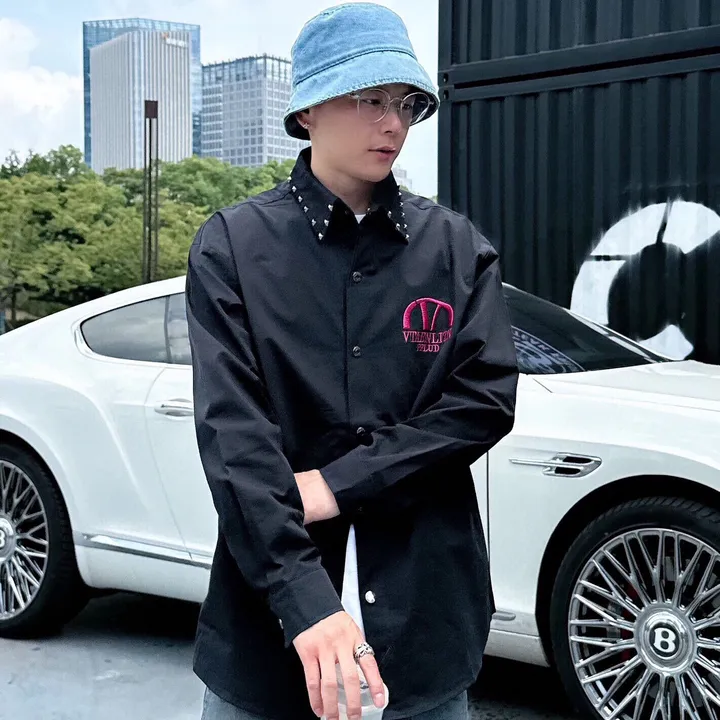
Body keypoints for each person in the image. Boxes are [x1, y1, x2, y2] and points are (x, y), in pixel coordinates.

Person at [185, 4, 519, 720]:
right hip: (269, 631)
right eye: (369, 99)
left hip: (427, 619)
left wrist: (338, 483)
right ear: (307, 109)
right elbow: (234, 438)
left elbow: (483, 402)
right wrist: (302, 598)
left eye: (405, 103)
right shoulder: (234, 247)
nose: (393, 124)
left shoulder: (455, 249)